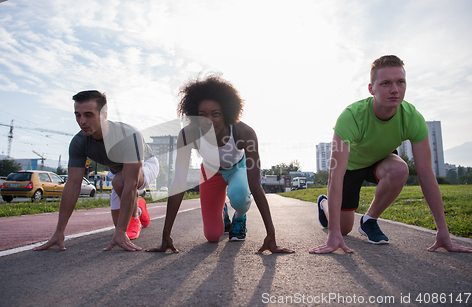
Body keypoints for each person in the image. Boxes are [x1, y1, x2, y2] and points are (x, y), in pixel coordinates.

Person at [309, 55, 472, 254]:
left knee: (399, 169)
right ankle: (323, 202)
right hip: (350, 167)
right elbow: (336, 175)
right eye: (386, 83)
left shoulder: (412, 118)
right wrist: (333, 233)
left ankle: (369, 220)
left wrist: (443, 231)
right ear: (371, 89)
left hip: (380, 161)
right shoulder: (351, 117)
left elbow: (426, 174)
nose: (395, 90)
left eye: (400, 82)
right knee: (343, 229)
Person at [147, 75, 294, 254]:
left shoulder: (243, 133)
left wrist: (271, 235)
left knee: (239, 196)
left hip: (237, 168)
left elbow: (255, 185)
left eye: (215, 114)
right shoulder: (188, 135)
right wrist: (166, 235)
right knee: (212, 235)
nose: (209, 120)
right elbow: (178, 183)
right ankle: (222, 212)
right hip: (210, 171)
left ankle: (239, 218)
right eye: (202, 115)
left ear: (226, 112)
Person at [34, 90, 158, 252]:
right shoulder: (79, 142)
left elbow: (130, 183)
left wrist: (120, 232)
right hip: (118, 170)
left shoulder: (129, 135)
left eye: (88, 115)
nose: (82, 121)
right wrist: (59, 232)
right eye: (77, 115)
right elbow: (72, 185)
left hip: (146, 164)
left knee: (120, 184)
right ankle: (140, 207)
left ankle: (136, 214)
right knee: (118, 207)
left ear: (104, 114)